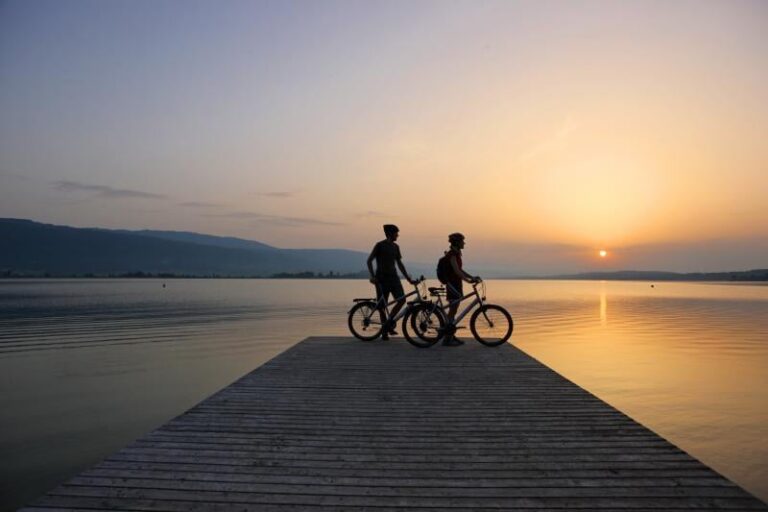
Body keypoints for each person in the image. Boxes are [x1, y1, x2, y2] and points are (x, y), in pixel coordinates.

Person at [367, 224, 417, 340]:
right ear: (390, 234)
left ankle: (389, 322)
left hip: (394, 278)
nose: (397, 235)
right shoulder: (380, 245)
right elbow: (369, 260)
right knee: (382, 305)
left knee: (401, 299)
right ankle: (384, 332)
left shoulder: (396, 247)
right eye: (396, 233)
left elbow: (399, 264)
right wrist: (372, 276)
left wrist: (408, 279)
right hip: (381, 279)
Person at [442, 232, 480, 346]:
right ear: (457, 243)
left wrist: (471, 277)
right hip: (452, 284)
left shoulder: (457, 254)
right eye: (462, 241)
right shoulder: (452, 254)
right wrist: (468, 281)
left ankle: (451, 335)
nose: (464, 243)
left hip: (456, 284)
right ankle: (447, 338)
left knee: (454, 309)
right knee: (452, 309)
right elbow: (457, 271)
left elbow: (460, 270)